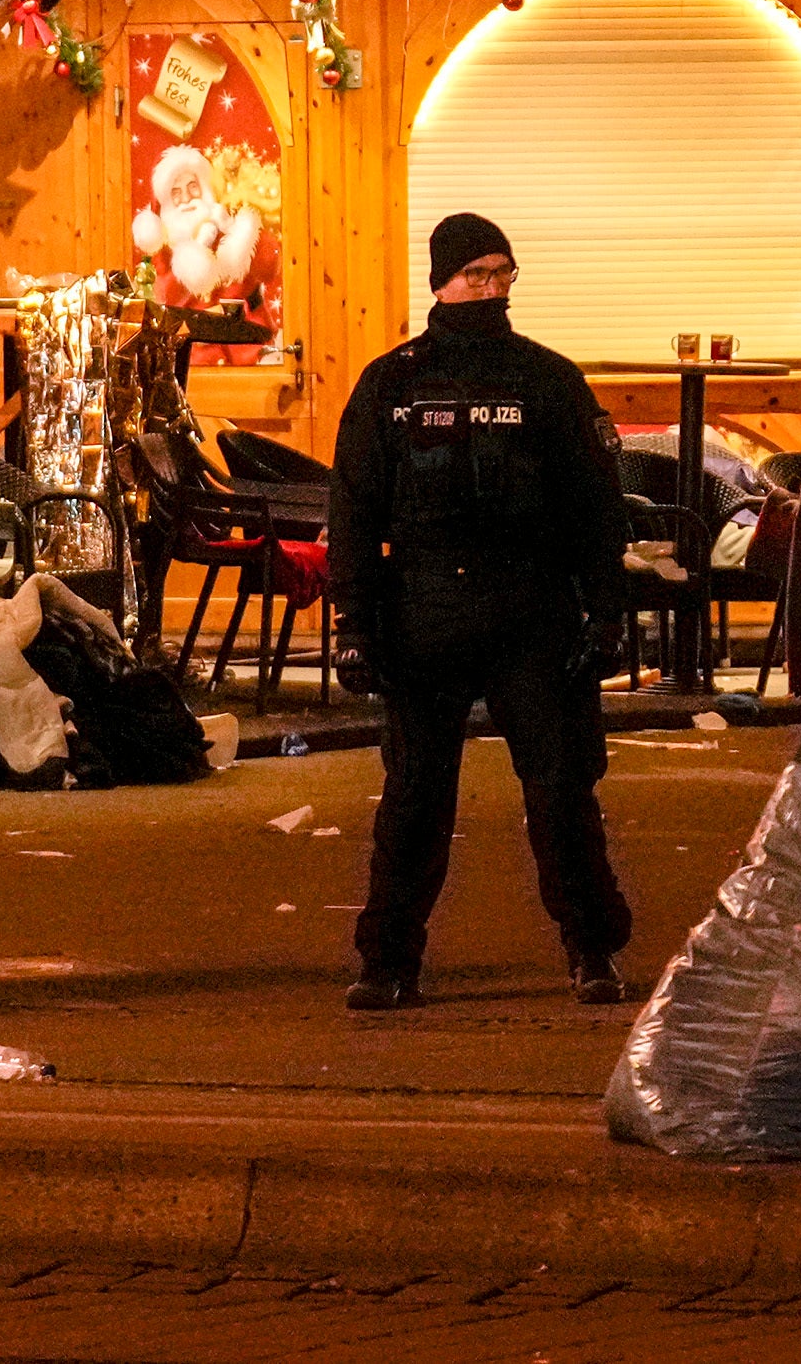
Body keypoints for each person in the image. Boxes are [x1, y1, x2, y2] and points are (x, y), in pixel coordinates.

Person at [326, 213, 636, 1014]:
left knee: (562, 789)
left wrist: (605, 609)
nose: (492, 291)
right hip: (423, 609)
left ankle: (593, 949)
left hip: (531, 609)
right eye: (477, 276)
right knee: (415, 799)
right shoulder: (389, 384)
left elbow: (596, 506)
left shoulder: (548, 380)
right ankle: (388, 962)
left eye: (504, 275)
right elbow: (355, 512)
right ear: (440, 282)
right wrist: (353, 625)